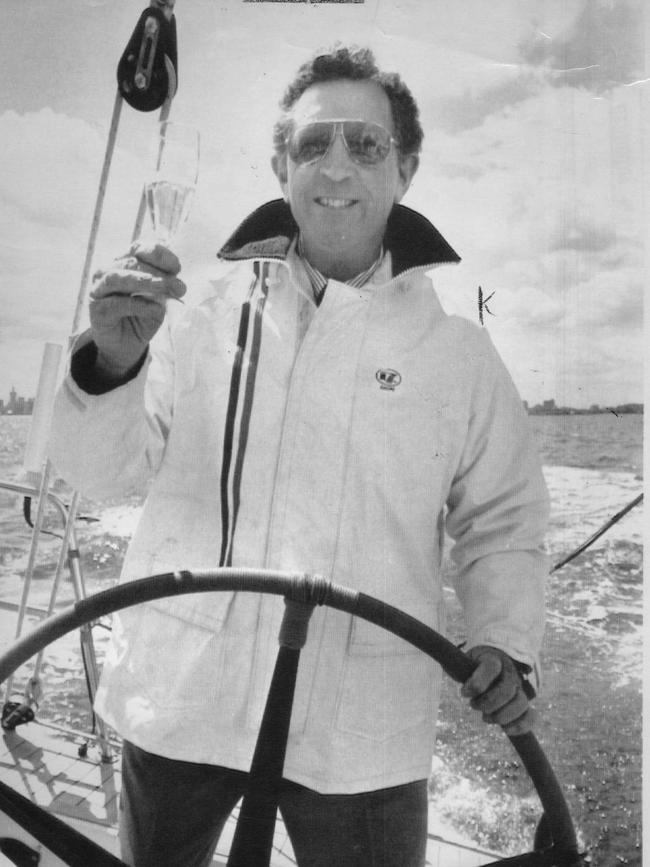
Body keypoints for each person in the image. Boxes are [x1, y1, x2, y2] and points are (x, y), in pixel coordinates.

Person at [50, 45, 548, 867]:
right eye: (313, 145)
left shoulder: (460, 355)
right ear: (282, 167)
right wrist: (110, 363)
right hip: (184, 696)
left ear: (407, 168)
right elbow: (103, 476)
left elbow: (502, 519)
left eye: (366, 144)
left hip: (363, 729)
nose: (337, 167)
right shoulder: (194, 315)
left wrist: (502, 638)